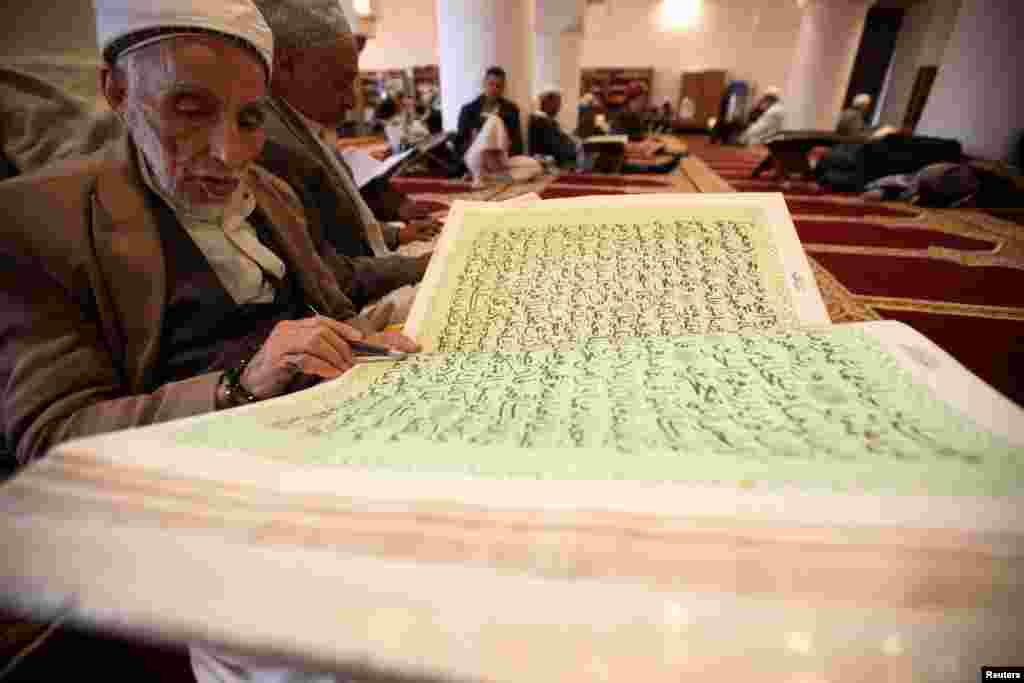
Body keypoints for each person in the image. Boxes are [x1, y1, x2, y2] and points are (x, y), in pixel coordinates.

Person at [252, 0, 439, 324]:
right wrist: (416, 266)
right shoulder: (274, 145)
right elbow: (330, 275)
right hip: (355, 297)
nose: (352, 100)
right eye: (339, 82)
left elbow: (337, 226)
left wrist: (396, 236)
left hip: (371, 269)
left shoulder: (305, 126)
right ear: (284, 67)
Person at [454, 65, 523, 158]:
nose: (494, 89)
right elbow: (459, 144)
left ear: (503, 88)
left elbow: (517, 144)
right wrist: (473, 142)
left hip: (503, 157)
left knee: (532, 165)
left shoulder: (511, 110)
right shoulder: (468, 110)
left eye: (498, 86)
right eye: (491, 84)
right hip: (476, 157)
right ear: (484, 84)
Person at [527, 85, 578, 168]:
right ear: (546, 102)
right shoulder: (539, 121)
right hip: (548, 166)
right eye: (557, 102)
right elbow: (553, 147)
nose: (559, 107)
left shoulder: (549, 121)